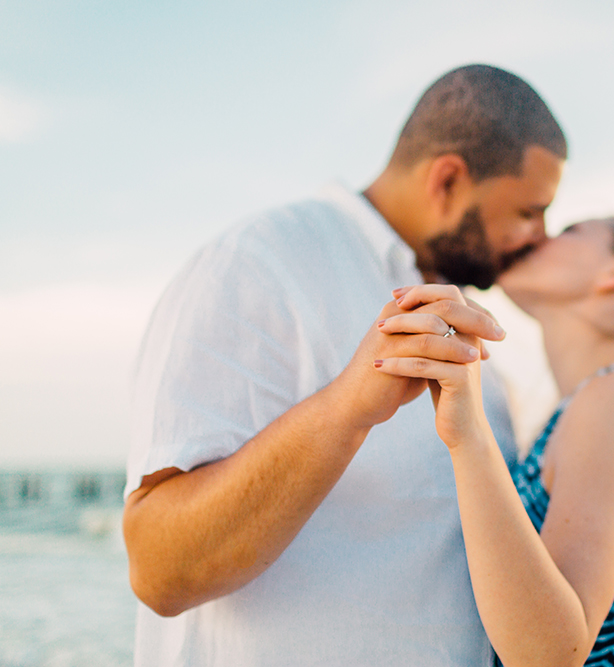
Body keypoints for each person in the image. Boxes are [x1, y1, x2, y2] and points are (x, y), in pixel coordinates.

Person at [121, 64, 566, 666]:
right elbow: (158, 570)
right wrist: (348, 408)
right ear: (448, 181)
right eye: (528, 212)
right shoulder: (257, 264)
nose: (540, 237)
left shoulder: (477, 344)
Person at [374, 216, 614, 666]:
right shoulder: (587, 406)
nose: (536, 236)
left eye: (569, 231)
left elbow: (551, 657)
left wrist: (469, 436)